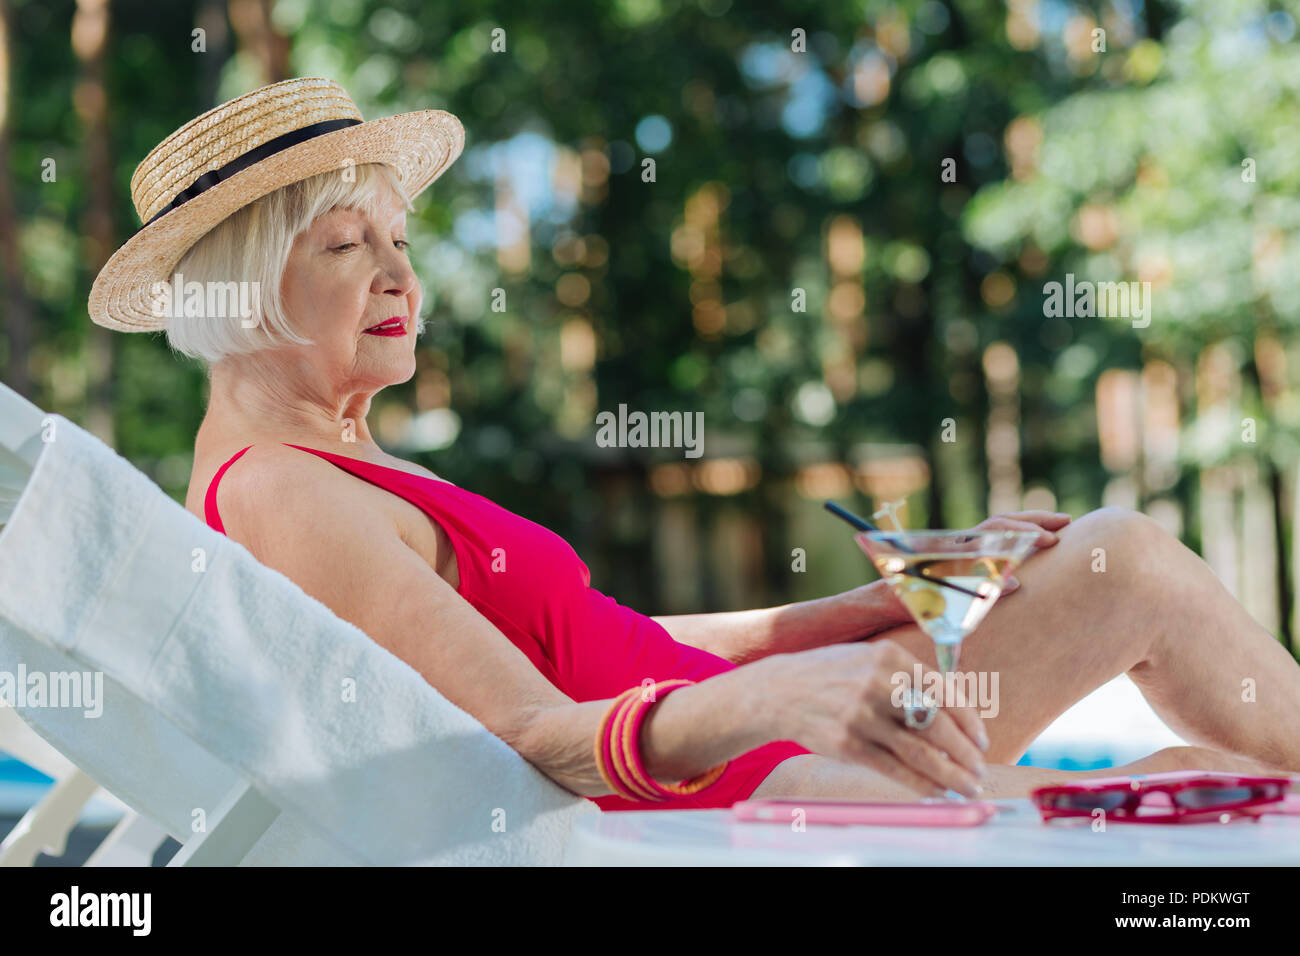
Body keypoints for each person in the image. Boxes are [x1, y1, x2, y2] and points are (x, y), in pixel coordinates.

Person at [89, 78, 1300, 813]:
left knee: (1165, 678)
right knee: (1133, 594)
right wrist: (779, 696)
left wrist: (843, 614)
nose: (402, 272)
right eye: (347, 244)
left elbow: (597, 645)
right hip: (741, 776)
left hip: (741, 729)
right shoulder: (286, 497)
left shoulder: (327, 466)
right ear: (245, 285)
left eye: (397, 237)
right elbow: (532, 733)